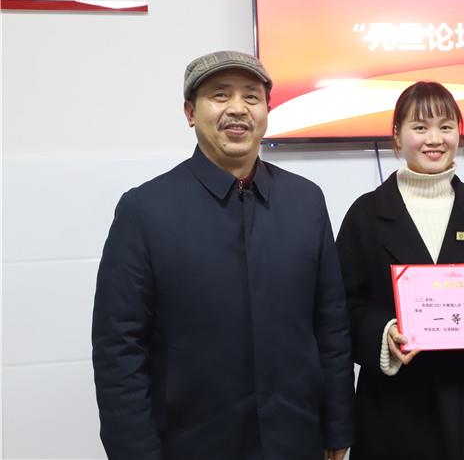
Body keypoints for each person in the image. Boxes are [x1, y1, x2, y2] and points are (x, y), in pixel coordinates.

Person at [92, 50, 354, 460]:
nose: (237, 108)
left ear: (267, 110)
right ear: (190, 112)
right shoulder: (145, 210)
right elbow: (118, 348)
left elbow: (331, 325)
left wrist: (337, 427)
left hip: (295, 439)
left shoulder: (306, 201)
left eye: (251, 96)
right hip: (190, 445)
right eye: (220, 95)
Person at [336, 81, 464, 460]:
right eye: (420, 127)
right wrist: (384, 334)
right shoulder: (367, 214)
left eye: (445, 127)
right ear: (397, 135)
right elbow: (341, 303)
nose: (435, 139)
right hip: (395, 408)